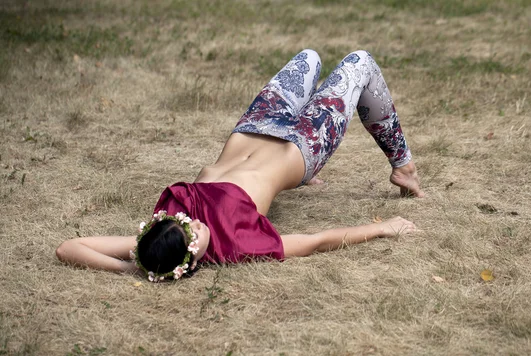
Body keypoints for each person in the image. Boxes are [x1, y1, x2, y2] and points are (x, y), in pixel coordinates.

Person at [55, 49, 424, 281]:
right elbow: (315, 241)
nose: (193, 222)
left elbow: (69, 247)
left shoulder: (162, 235)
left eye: (184, 221)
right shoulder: (235, 245)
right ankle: (403, 166)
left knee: (309, 57)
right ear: (190, 261)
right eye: (194, 235)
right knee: (361, 62)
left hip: (256, 125)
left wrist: (132, 266)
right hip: (303, 146)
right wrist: (382, 229)